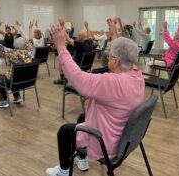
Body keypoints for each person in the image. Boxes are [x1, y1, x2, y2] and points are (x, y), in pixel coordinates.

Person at [45, 19, 145, 176]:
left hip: (106, 143)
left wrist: (60, 46)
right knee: (82, 117)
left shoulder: (112, 82)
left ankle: (63, 171)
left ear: (115, 61)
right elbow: (123, 55)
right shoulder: (137, 74)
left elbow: (79, 80)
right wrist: (114, 35)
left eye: (110, 55)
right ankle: (81, 158)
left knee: (64, 131)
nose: (107, 56)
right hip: (122, 134)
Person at [0, 19, 33, 108]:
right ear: (26, 45)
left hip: (15, 81)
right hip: (27, 81)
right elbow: (30, 40)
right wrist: (30, 28)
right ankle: (17, 97)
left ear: (14, 45)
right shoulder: (29, 50)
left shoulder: (11, 52)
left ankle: (4, 101)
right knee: (14, 76)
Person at [53, 20, 93, 84]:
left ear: (81, 38)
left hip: (77, 66)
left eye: (78, 35)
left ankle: (63, 79)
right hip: (86, 66)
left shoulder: (79, 43)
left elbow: (68, 39)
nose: (76, 36)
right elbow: (90, 35)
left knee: (60, 60)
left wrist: (62, 28)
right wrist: (87, 27)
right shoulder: (90, 42)